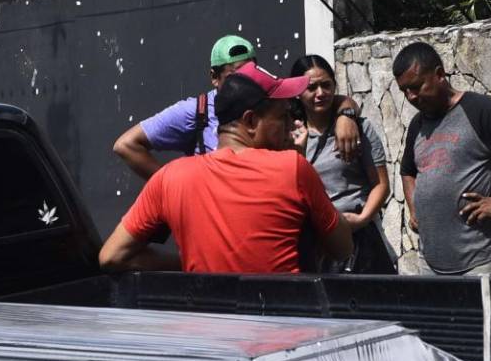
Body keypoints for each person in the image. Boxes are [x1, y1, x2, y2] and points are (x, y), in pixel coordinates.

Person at [100, 64, 352, 275]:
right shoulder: (293, 168)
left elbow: (111, 256)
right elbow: (342, 248)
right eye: (283, 116)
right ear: (251, 121)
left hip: (208, 329)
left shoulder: (169, 178)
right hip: (282, 329)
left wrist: (186, 265)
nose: (291, 125)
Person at [394, 41, 491, 277]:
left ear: (439, 74)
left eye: (416, 86)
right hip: (430, 263)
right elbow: (407, 171)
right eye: (404, 90)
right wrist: (414, 206)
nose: (411, 96)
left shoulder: (479, 110)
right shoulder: (418, 124)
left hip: (478, 264)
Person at [112, 35, 364, 180]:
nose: (246, 81)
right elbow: (126, 145)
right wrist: (173, 187)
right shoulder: (195, 111)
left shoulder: (268, 101)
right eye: (234, 76)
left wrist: (346, 112)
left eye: (250, 72)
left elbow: (312, 98)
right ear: (214, 77)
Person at [292, 54, 393, 274]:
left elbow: (381, 184)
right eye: (312, 88)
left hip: (360, 240)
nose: (320, 94)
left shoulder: (360, 128)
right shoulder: (289, 136)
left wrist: (362, 218)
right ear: (298, 93)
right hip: (314, 244)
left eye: (326, 85)